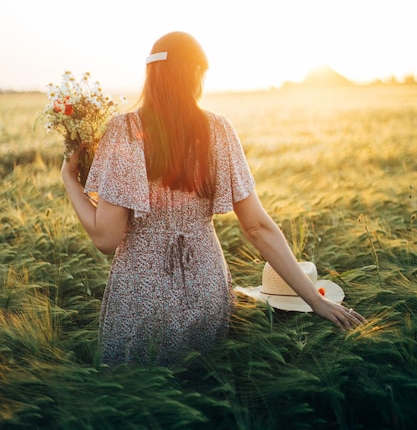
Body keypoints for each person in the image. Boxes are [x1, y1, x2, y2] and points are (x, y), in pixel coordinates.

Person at [61, 31, 365, 367]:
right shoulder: (219, 130)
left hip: (140, 299)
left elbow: (106, 238)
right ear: (195, 75)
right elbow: (258, 227)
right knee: (206, 391)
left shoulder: (124, 130)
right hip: (205, 294)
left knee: (137, 400)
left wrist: (69, 180)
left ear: (152, 74)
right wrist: (314, 300)